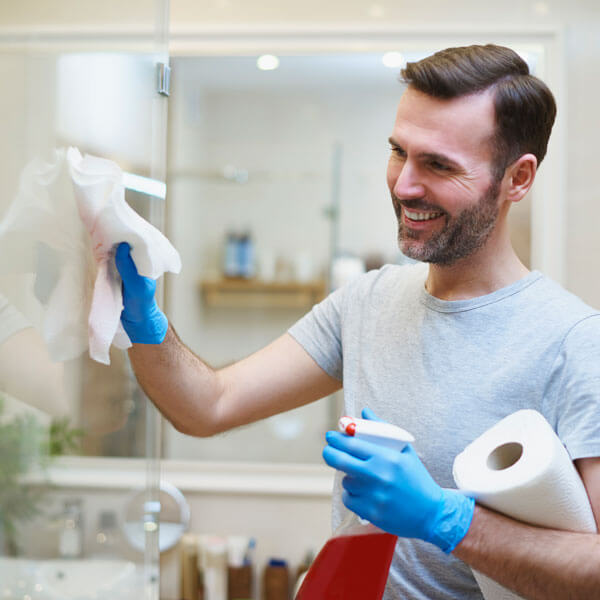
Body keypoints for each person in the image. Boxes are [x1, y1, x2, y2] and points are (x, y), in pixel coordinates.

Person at [115, 44, 600, 599]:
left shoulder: (576, 343)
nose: (403, 185)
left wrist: (449, 521)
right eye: (399, 152)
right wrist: (146, 324)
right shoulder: (367, 302)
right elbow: (207, 406)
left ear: (517, 178)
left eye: (438, 165)